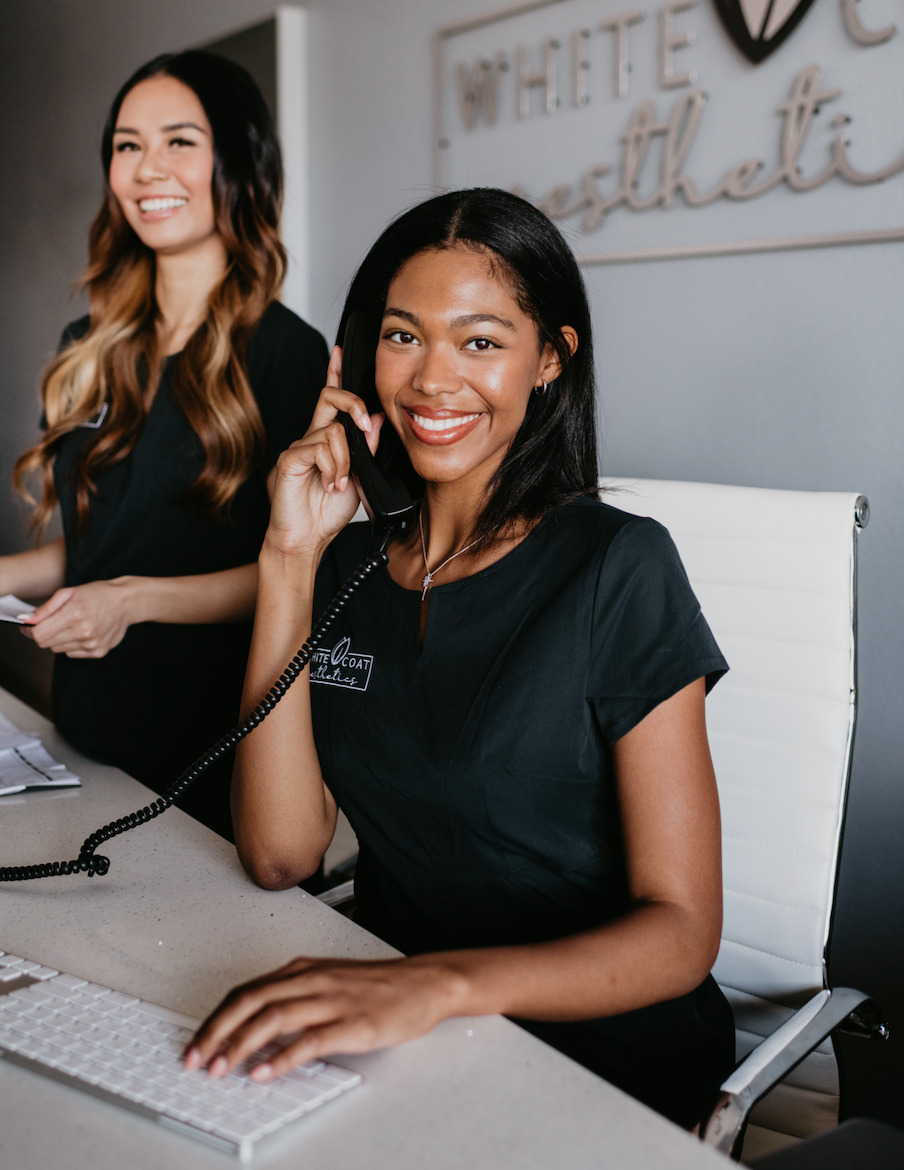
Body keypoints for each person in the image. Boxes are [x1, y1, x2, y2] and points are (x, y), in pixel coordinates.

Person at [183, 188, 735, 1125]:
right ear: (357, 361)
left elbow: (682, 932)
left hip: (591, 1053)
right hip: (402, 1021)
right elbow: (280, 855)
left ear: (550, 359)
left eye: (480, 341)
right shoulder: (350, 565)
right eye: (403, 337)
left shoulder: (617, 565)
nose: (433, 379)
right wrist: (289, 559)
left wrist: (437, 986)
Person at [1, 51, 328, 838]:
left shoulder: (290, 356)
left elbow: (295, 573)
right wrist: (8, 575)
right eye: (126, 144)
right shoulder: (90, 342)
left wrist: (133, 601)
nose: (148, 169)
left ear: (238, 163)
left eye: (180, 141)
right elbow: (102, 539)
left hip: (212, 752)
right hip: (83, 729)